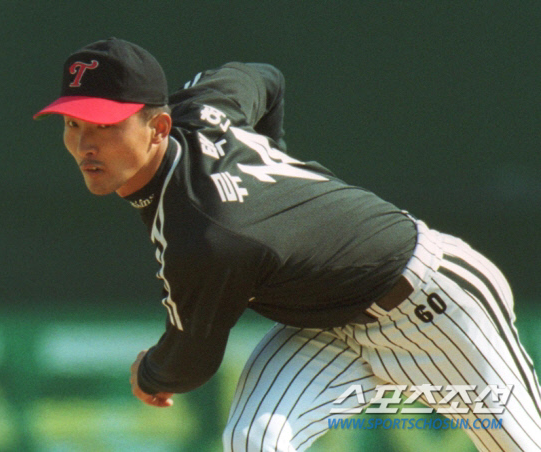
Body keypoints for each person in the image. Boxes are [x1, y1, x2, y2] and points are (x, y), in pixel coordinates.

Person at [34, 37, 541, 452]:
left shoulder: (207, 231)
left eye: (105, 126)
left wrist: (149, 373)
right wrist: (273, 163)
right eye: (73, 125)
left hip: (433, 302)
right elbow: (264, 77)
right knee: (255, 441)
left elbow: (191, 361)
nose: (85, 144)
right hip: (324, 326)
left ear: (158, 127)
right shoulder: (206, 106)